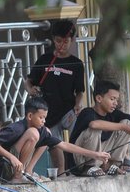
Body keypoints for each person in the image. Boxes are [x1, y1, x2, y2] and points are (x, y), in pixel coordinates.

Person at [0, 97, 111, 182]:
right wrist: (11, 157)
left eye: (45, 117)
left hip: (19, 166)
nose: (44, 121)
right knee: (33, 133)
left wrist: (95, 154)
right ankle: (18, 176)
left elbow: (64, 145)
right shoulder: (16, 128)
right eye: (41, 117)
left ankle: (27, 171)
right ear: (30, 116)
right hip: (6, 168)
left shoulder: (41, 129)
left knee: (47, 133)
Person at [25, 19, 85, 175]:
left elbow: (80, 91)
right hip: (48, 113)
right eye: (58, 41)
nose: (62, 45)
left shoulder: (76, 63)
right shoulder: (44, 60)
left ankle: (82, 167)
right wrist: (31, 90)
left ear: (72, 40)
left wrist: (78, 105)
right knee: (54, 144)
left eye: (66, 41)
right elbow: (28, 82)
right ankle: (61, 173)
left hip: (68, 111)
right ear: (53, 40)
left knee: (81, 134)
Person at [69, 80, 130, 177]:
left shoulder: (114, 113)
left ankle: (112, 164)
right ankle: (89, 166)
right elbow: (94, 125)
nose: (115, 103)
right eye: (112, 99)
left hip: (101, 157)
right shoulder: (87, 112)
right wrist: (123, 127)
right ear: (99, 98)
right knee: (95, 129)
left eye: (116, 100)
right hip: (81, 159)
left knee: (127, 122)